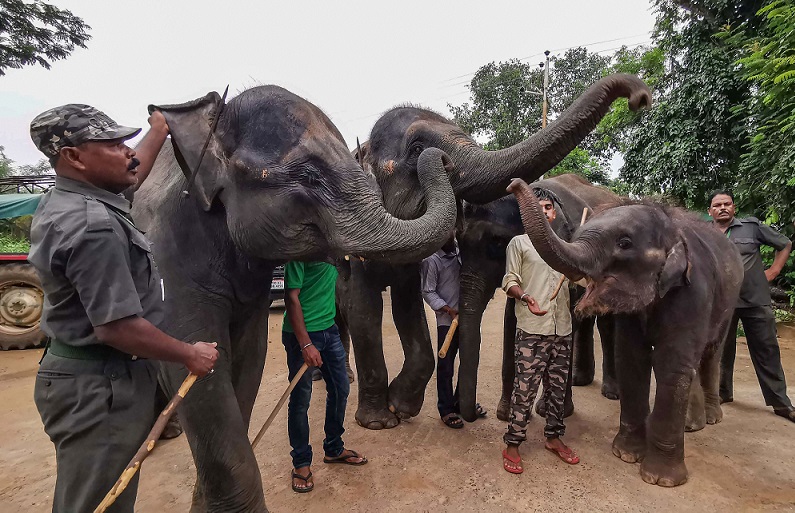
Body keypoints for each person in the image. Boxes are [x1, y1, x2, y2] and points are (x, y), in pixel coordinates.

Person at [28, 104, 219, 513]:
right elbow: (117, 328)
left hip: (91, 376)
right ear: (74, 156)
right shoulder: (92, 226)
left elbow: (136, 171)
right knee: (98, 503)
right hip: (101, 385)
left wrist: (160, 130)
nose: (129, 152)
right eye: (114, 144)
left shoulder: (71, 197)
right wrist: (190, 354)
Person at [501, 188, 579, 474]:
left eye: (547, 207)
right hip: (533, 329)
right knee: (524, 390)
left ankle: (554, 438)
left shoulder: (565, 246)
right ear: (528, 215)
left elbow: (580, 280)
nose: (543, 212)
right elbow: (509, 280)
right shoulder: (519, 244)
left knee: (558, 390)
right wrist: (525, 297)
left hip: (563, 329)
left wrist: (582, 272)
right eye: (537, 208)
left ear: (554, 213)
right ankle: (513, 443)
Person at [708, 190, 794, 422]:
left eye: (727, 204)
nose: (722, 208)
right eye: (717, 205)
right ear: (710, 211)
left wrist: (774, 271)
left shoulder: (751, 227)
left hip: (755, 299)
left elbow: (785, 243)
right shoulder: (706, 233)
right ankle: (722, 393)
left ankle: (781, 403)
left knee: (766, 349)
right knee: (720, 350)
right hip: (723, 302)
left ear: (734, 208)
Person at [282, 260, 367, 493]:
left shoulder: (334, 251)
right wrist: (305, 343)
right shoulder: (300, 253)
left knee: (341, 388)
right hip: (303, 335)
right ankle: (301, 463)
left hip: (329, 330)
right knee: (301, 400)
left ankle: (334, 448)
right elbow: (291, 298)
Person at [421, 233, 486, 429]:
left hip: (467, 320)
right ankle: (446, 409)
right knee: (446, 366)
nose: (451, 236)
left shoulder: (460, 251)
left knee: (467, 362)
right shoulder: (432, 260)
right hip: (447, 322)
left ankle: (463, 401)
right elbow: (428, 291)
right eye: (446, 233)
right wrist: (448, 309)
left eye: (452, 232)